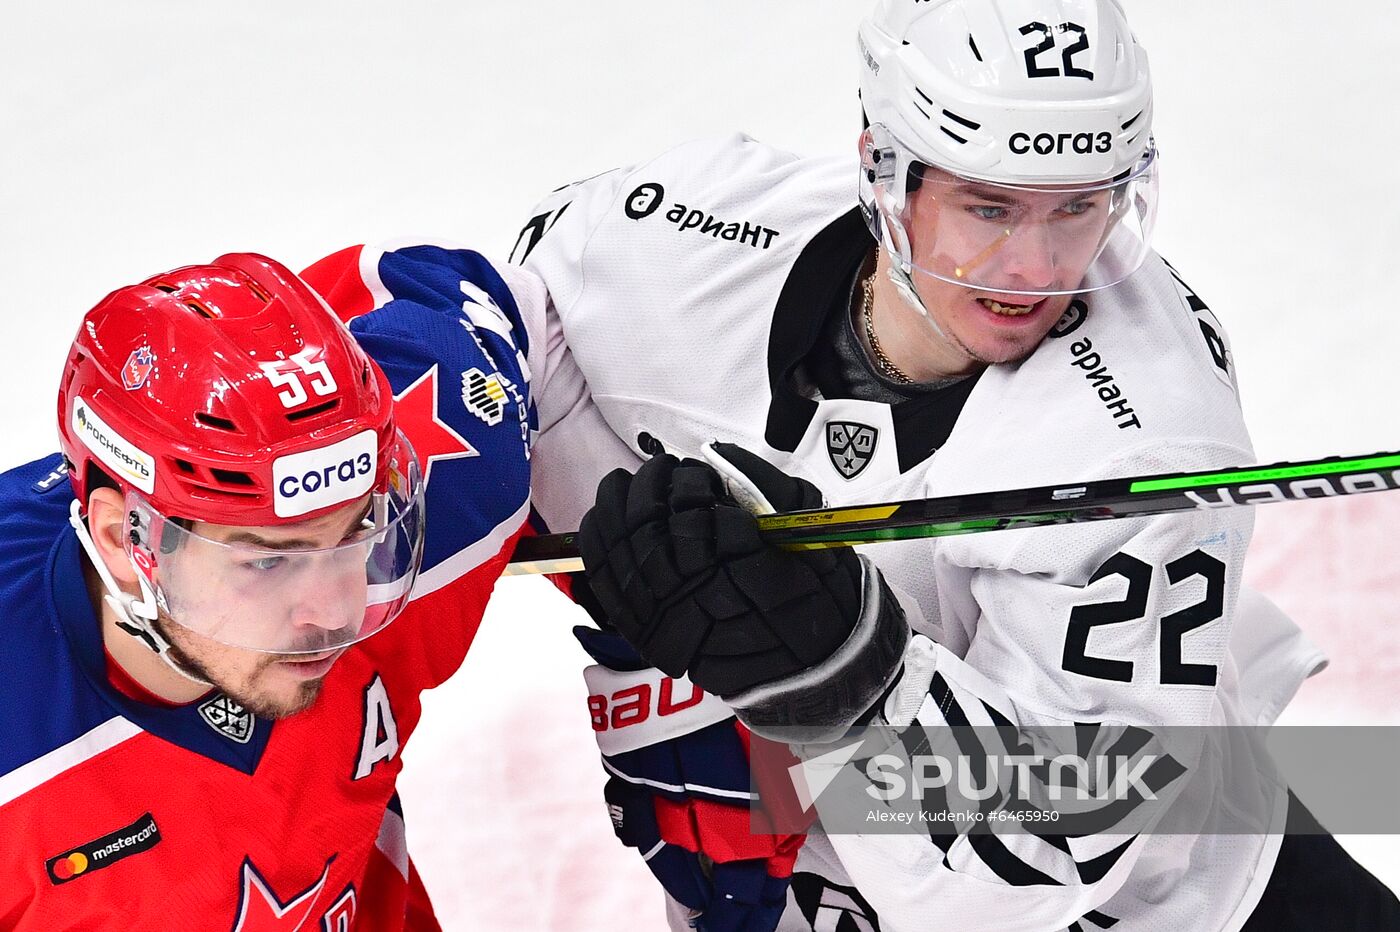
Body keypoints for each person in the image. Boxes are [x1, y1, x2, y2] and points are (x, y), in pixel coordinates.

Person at [509, 0, 1400, 929]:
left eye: (1079, 209)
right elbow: (509, 344)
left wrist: (846, 674)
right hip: (808, 889)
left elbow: (1051, 849)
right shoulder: (676, 243)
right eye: (988, 207)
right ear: (884, 173)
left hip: (1162, 906)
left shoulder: (1144, 437)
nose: (1034, 269)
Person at [0, 243, 548, 929]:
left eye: (358, 532)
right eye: (267, 561)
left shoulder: (456, 487)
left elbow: (545, 290)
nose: (335, 612)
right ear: (123, 542)